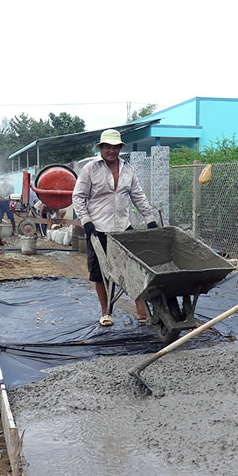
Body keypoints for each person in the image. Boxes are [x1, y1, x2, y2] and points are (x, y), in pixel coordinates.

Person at [72, 128, 158, 327]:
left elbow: (137, 195)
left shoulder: (128, 169)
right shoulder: (91, 169)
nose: (111, 151)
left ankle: (140, 310)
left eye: (115, 147)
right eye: (107, 147)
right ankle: (106, 312)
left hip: (123, 227)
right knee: (101, 272)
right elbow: (78, 196)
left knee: (133, 269)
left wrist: (149, 218)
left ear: (120, 148)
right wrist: (86, 221)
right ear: (101, 148)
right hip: (98, 228)